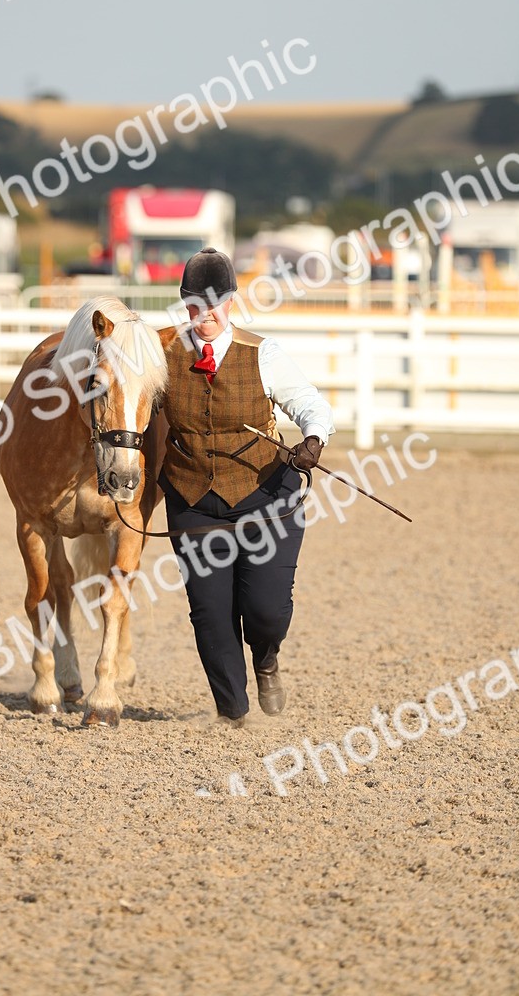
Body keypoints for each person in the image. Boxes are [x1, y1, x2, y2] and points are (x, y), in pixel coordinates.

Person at [158, 246, 334, 724]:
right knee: (210, 614)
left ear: (231, 302)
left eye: (212, 305)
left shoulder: (264, 353)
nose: (204, 316)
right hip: (192, 500)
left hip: (266, 497)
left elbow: (311, 405)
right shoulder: (163, 356)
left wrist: (312, 441)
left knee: (266, 609)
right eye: (194, 306)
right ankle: (232, 712)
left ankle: (267, 657)